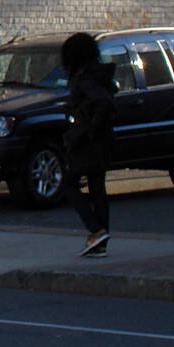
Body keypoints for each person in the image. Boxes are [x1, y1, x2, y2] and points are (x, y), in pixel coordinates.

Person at [61, 32, 117, 257]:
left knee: (69, 184)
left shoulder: (84, 80)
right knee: (97, 186)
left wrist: (88, 129)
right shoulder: (100, 75)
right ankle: (100, 241)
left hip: (88, 141)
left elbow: (104, 103)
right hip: (103, 140)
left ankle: (95, 229)